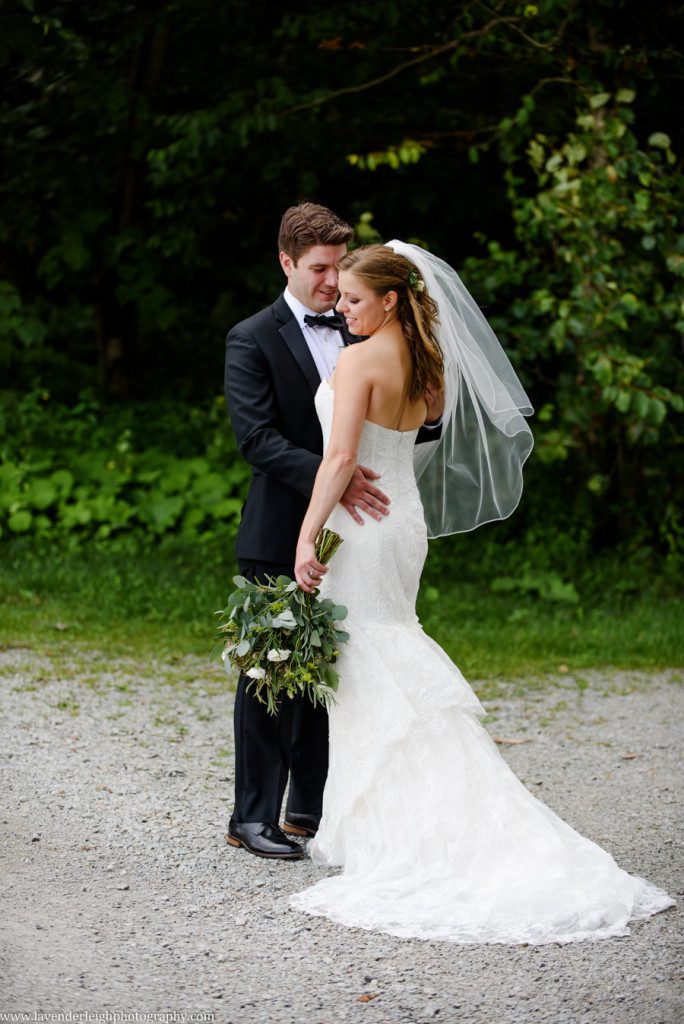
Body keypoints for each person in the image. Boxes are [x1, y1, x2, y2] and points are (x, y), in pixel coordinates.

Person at [288, 241, 674, 943]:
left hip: (359, 527)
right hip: (400, 518)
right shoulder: (425, 361)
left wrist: (305, 537)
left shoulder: (358, 360)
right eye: (338, 298)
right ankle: (408, 815)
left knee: (368, 661)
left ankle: (414, 830)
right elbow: (410, 444)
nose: (340, 310)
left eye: (351, 299)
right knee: (386, 646)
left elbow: (342, 457)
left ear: (391, 299)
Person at [223, 206, 442, 861]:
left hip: (362, 530)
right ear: (286, 263)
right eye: (318, 269)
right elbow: (257, 439)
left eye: (338, 269)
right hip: (280, 525)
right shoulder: (251, 338)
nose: (330, 284)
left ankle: (312, 809)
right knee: (271, 672)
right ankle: (252, 816)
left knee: (337, 670)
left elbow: (396, 418)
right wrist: (338, 476)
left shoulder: (363, 322)